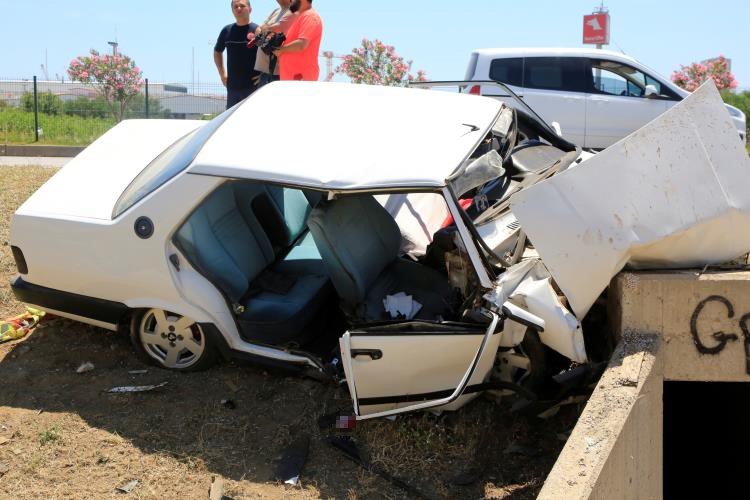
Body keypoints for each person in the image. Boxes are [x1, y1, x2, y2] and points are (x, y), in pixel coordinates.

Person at [214, 0, 261, 108]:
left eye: (242, 6)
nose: (238, 9)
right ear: (232, 11)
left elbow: (269, 55)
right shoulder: (226, 31)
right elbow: (217, 52)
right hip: (233, 88)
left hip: (254, 87)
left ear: (250, 9)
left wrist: (263, 75)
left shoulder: (257, 30)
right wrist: (222, 75)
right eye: (235, 7)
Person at [274, 0, 323, 82]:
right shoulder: (302, 16)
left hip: (300, 77)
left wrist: (281, 49)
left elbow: (302, 44)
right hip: (294, 77)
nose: (290, 1)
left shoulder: (310, 16)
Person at [253, 0, 296, 87]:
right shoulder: (276, 11)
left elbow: (272, 29)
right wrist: (265, 30)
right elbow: (259, 30)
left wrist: (265, 31)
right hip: (265, 72)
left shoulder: (293, 11)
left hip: (279, 72)